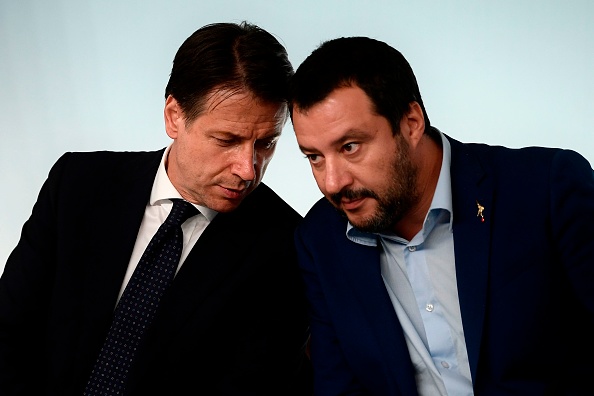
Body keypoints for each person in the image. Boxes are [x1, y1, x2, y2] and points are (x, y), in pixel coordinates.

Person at [0, 21, 312, 396]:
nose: (248, 169)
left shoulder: (287, 247)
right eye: (227, 140)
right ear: (174, 116)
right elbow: (8, 334)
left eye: (265, 143)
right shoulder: (77, 185)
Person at [289, 36, 594, 395]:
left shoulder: (545, 187)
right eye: (314, 157)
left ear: (412, 122)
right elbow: (339, 388)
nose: (332, 182)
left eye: (350, 147)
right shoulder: (320, 239)